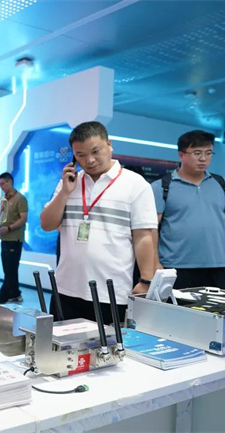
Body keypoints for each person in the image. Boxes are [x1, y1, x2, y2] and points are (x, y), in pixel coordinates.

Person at [40, 121, 157, 324]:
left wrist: (146, 280)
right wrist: (65, 192)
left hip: (111, 292)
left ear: (109, 145)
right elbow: (47, 224)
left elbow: (143, 237)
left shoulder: (135, 184)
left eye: (95, 151)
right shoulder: (69, 183)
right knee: (60, 343)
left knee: (107, 344)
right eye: (80, 155)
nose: (90, 160)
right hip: (65, 289)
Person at [151, 130, 225, 290]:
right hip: (174, 266)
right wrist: (155, 262)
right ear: (181, 155)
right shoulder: (162, 187)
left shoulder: (222, 184)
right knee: (176, 307)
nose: (203, 158)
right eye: (197, 153)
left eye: (208, 153)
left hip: (217, 266)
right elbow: (151, 228)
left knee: (219, 307)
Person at [0, 172, 28, 305]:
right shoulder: (5, 199)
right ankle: (15, 293)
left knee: (10, 270)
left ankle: (3, 296)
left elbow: (23, 219)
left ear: (10, 182)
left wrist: (9, 228)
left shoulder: (20, 199)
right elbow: (2, 216)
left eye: (3, 184)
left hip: (14, 239)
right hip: (5, 238)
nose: (1, 187)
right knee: (9, 269)